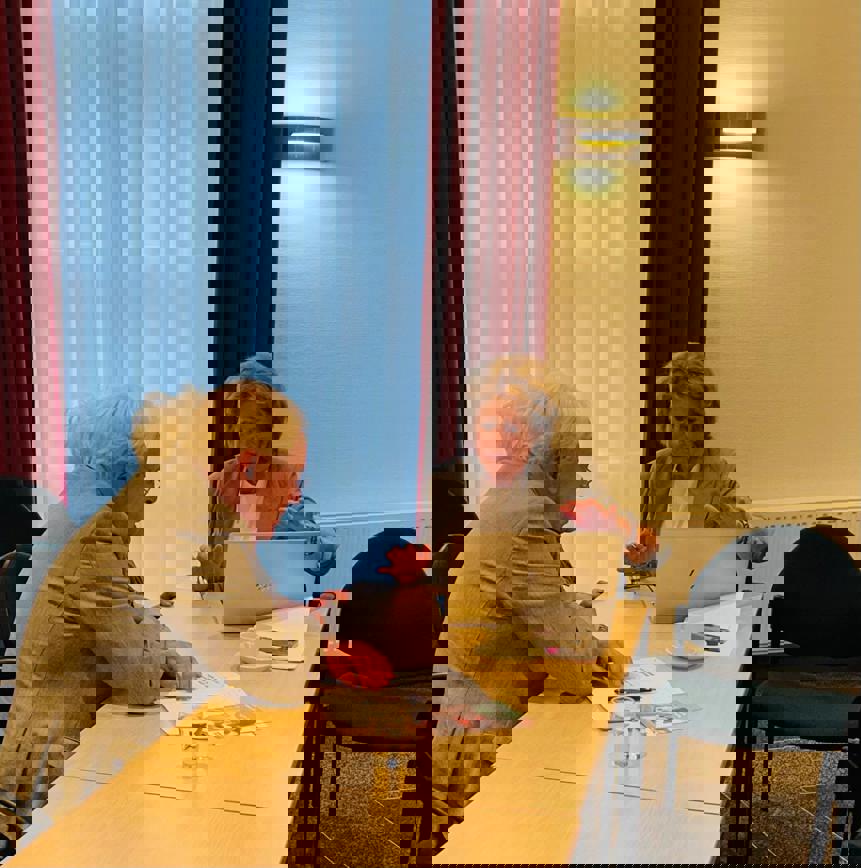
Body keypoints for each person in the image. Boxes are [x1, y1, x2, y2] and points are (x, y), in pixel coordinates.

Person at [431, 369, 628, 854]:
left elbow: (550, 626)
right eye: (575, 461)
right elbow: (572, 662)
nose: (578, 481)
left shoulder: (508, 505)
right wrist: (615, 660)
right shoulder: (524, 521)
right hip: (480, 750)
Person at [0, 394, 191, 854]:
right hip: (40, 780)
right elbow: (143, 680)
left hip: (78, 743)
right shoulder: (95, 551)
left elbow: (153, 634)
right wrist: (155, 644)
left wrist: (153, 640)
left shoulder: (113, 537)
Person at [193, 354, 334, 597]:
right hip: (229, 598)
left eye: (255, 424)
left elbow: (318, 559)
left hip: (272, 599)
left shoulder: (284, 479)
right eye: (240, 423)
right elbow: (215, 548)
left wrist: (308, 542)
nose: (245, 432)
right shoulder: (225, 478)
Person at [625, 351, 767, 575]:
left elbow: (758, 551)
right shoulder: (657, 471)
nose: (686, 433)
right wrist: (640, 559)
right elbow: (647, 550)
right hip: (661, 587)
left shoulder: (725, 473)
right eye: (679, 420)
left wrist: (739, 535)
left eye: (695, 422)